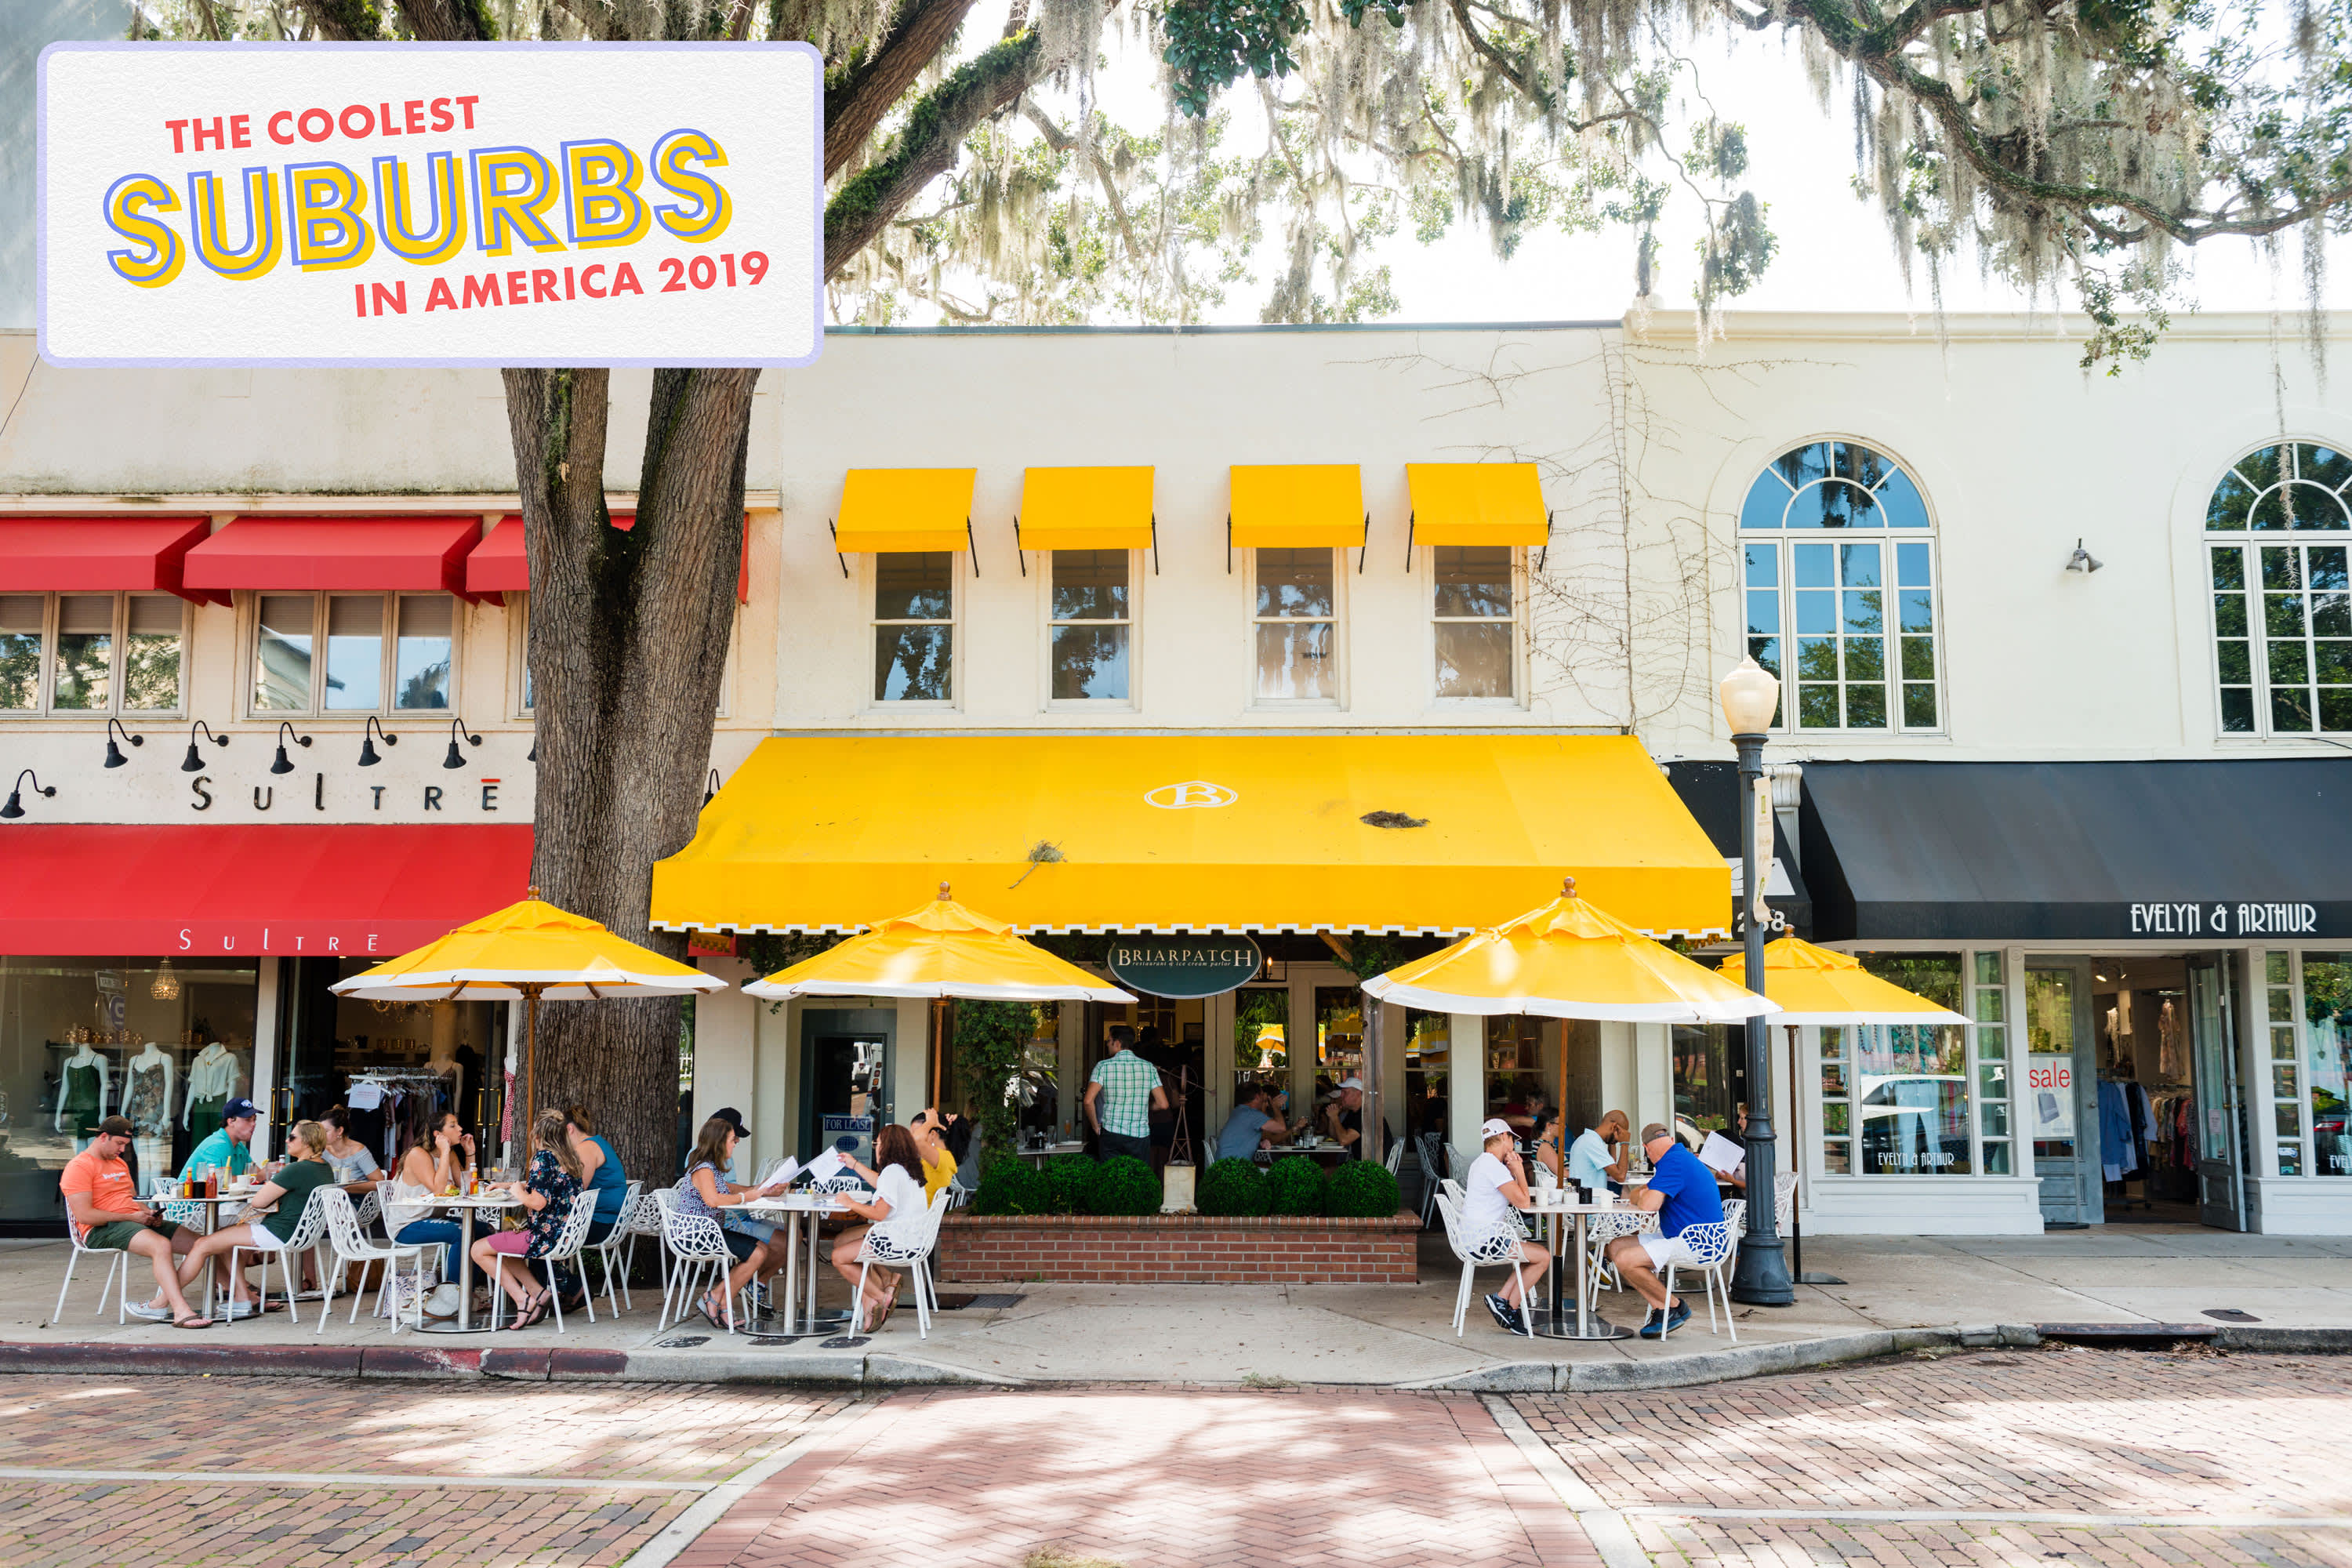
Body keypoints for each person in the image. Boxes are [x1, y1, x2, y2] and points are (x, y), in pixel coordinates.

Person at [176, 1118, 336, 1319]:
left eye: (292, 1137)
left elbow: (259, 1202)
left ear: (307, 1142)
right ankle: (243, 1299)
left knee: (202, 1244)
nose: (287, 1141)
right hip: (300, 1234)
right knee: (222, 1242)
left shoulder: (295, 1169)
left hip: (277, 1232)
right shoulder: (325, 1168)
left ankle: (165, 1300)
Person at [60, 1116, 207, 1330]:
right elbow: (85, 1216)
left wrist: (149, 1214)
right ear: (103, 1137)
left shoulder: (118, 1163)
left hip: (133, 1223)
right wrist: (131, 1217)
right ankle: (181, 1311)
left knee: (202, 1244)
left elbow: (132, 1201)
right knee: (160, 1245)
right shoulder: (79, 1166)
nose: (122, 1150)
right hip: (99, 1229)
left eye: (125, 1145)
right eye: (119, 1144)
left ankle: (161, 1304)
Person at [1602, 1121, 1726, 1338]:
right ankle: (1663, 1309)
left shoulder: (1673, 1162)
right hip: (1683, 1235)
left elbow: (1648, 1206)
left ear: (1646, 1149)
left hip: (1698, 1242)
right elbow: (1636, 1197)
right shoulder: (1675, 1157)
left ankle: (1674, 1306)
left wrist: (1644, 1193)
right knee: (1615, 1247)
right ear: (1670, 1140)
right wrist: (1644, 1192)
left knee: (1625, 1259)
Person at [471, 1108, 584, 1330]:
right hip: (566, 1236)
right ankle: (539, 1293)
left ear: (538, 1134)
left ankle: (522, 1299)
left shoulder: (543, 1157)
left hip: (545, 1237)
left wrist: (519, 1193)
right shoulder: (568, 1158)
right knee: (501, 1245)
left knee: (478, 1249)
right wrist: (509, 1186)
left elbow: (539, 1202)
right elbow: (548, 1188)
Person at [677, 1113, 786, 1330]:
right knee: (757, 1253)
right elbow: (714, 1200)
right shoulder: (704, 1169)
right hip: (696, 1235)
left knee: (760, 1250)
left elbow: (731, 1189)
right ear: (719, 1143)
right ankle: (717, 1299)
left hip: (711, 1231)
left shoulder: (712, 1168)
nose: (735, 1145)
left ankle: (718, 1299)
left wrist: (761, 1190)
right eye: (733, 1140)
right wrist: (748, 1197)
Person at [828, 1123, 931, 1333]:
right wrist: (854, 1164)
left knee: (838, 1257)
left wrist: (851, 1204)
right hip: (912, 1238)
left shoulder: (893, 1172)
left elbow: (878, 1214)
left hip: (895, 1240)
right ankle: (884, 1281)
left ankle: (879, 1297)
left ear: (888, 1147)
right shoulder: (906, 1170)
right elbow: (881, 1183)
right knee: (842, 1240)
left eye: (878, 1143)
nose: (876, 1147)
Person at [1460, 1117, 1547, 1335]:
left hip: (1475, 1237)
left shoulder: (1482, 1162)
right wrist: (1518, 1170)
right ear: (1503, 1137)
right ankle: (1510, 1307)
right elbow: (1524, 1203)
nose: (1514, 1143)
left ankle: (1501, 1301)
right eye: (1512, 1138)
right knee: (1543, 1257)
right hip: (1485, 1241)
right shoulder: (1493, 1167)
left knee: (1534, 1255)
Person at [385, 1110, 474, 1317]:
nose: (460, 1129)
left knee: (483, 1229)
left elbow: (466, 1187)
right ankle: (453, 1296)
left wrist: (469, 1153)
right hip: (407, 1225)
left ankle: (465, 1292)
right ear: (437, 1134)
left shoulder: (450, 1155)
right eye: (453, 1125)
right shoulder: (418, 1155)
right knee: (461, 1233)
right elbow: (439, 1190)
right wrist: (444, 1153)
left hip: (431, 1220)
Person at [557, 1104, 629, 1310]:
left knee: (540, 1237)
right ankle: (562, 1289)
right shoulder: (598, 1143)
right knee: (541, 1236)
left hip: (602, 1223)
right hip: (610, 1221)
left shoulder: (585, 1149)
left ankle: (572, 1288)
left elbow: (578, 1191)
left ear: (569, 1129)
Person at [1083, 1025, 1166, 1164]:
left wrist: (1095, 1126)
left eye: (1109, 1041)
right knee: (1137, 1178)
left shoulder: (1103, 1066)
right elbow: (1163, 1104)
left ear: (1117, 1043)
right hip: (1139, 1134)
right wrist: (1146, 1106)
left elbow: (1088, 1101)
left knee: (1111, 1178)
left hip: (1111, 1132)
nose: (1108, 1045)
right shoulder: (1148, 1067)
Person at [180, 1097, 259, 1184]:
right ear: (231, 1121)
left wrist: (271, 1170)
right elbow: (221, 1182)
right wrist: (261, 1175)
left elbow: (255, 1173)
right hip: (188, 1195)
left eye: (254, 1120)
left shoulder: (239, 1147)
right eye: (248, 1120)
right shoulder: (218, 1145)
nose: (253, 1124)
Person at [1216, 1080, 1290, 1162]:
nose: (1264, 1100)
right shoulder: (1252, 1114)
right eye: (1262, 1095)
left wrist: (1259, 1143)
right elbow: (1281, 1128)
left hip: (1224, 1165)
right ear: (1257, 1097)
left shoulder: (1238, 1111)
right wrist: (1276, 1107)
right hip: (1234, 1169)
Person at [1568, 1109, 1631, 1195]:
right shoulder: (1592, 1142)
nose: (1619, 1139)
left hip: (1586, 1200)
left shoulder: (1588, 1139)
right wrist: (1625, 1144)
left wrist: (1613, 1142)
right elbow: (1620, 1176)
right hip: (1589, 1204)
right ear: (1614, 1127)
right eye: (1621, 1134)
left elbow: (1610, 1168)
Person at [909, 1109, 959, 1204]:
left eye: (918, 1133)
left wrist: (930, 1122)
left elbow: (916, 1142)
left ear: (932, 1134)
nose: (912, 1138)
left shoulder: (945, 1157)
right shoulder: (927, 1159)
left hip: (920, 1215)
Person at [1322, 1076, 1367, 1156]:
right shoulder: (1353, 1113)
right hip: (1360, 1163)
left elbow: (1344, 1140)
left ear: (1358, 1093)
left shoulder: (1366, 1114)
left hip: (1373, 1166)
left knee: (1326, 1167)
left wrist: (1335, 1117)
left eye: (1345, 1092)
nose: (1341, 1096)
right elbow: (1335, 1136)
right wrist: (1332, 1116)